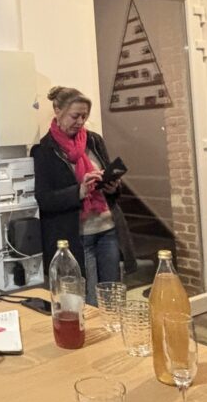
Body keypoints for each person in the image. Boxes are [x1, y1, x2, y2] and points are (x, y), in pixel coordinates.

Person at [32, 86, 137, 306]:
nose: (80, 121)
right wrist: (79, 191)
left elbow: (108, 180)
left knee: (112, 297)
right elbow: (45, 199)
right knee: (88, 301)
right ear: (58, 110)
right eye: (75, 116)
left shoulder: (94, 141)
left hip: (107, 229)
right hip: (77, 237)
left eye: (84, 116)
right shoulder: (44, 150)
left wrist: (112, 187)